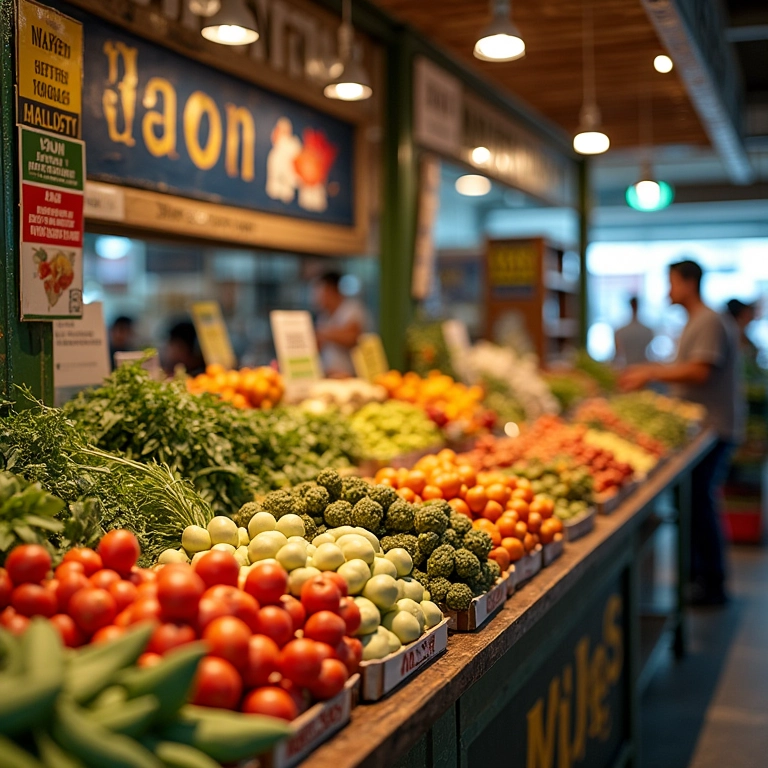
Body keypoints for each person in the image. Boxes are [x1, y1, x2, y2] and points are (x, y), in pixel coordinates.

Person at [620, 259, 745, 605]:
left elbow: (701, 371)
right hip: (705, 429)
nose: (668, 291)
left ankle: (711, 583)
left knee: (700, 503)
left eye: (672, 283)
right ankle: (699, 577)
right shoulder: (699, 320)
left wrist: (651, 372)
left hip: (714, 428)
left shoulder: (708, 321)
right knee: (696, 503)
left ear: (689, 283)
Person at [313, 271, 370, 378]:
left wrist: (323, 333)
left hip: (351, 376)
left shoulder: (352, 309)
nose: (315, 298)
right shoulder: (323, 316)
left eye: (318, 292)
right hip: (329, 375)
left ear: (330, 290)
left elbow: (352, 338)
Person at [614, 296, 654, 365]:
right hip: (640, 367)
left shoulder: (620, 331)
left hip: (630, 367)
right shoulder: (648, 331)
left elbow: (617, 354)